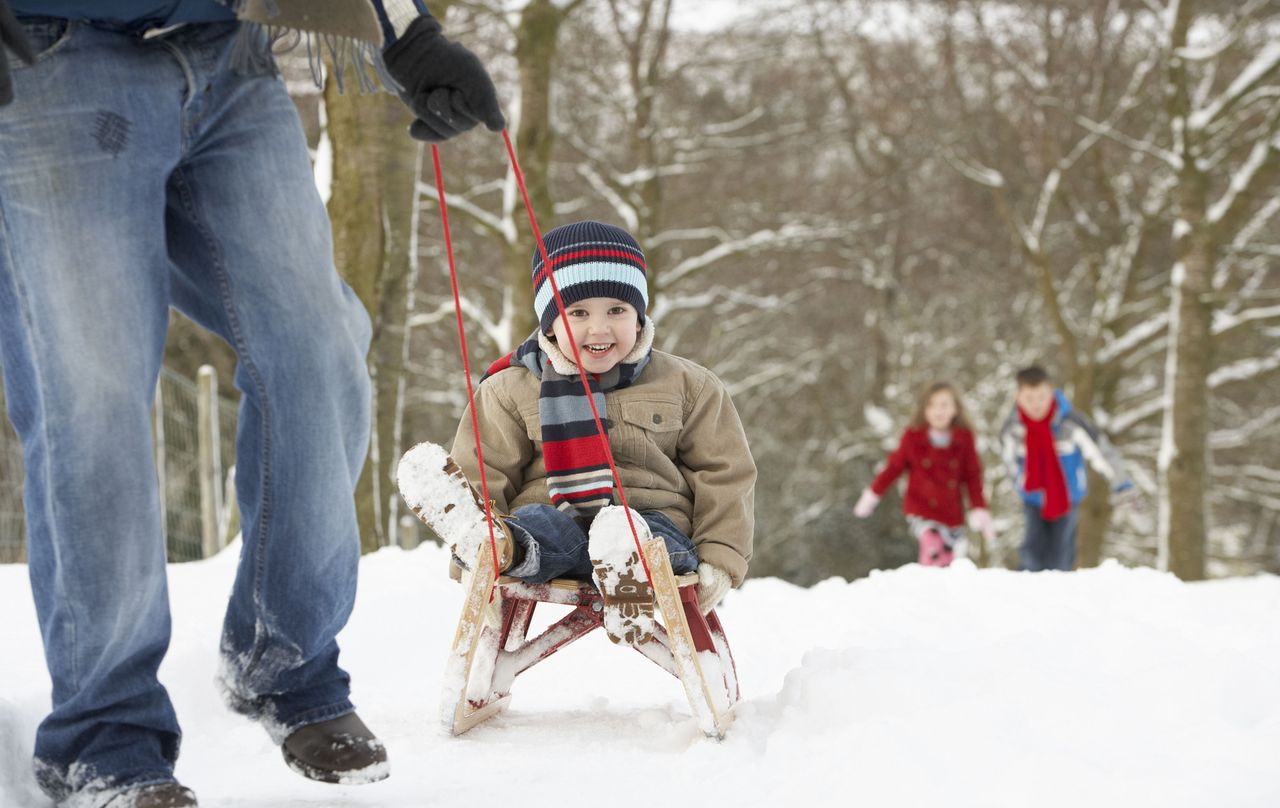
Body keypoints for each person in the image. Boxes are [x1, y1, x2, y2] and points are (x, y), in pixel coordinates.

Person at [0, 1, 503, 806]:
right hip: (49, 59)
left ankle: (284, 659)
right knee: (91, 394)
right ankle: (104, 739)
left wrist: (407, 35)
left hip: (227, 55)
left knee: (320, 348)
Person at [400, 220, 756, 645]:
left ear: (640, 316)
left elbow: (724, 473)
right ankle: (491, 545)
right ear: (549, 323)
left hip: (654, 534)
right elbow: (485, 469)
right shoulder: (510, 389)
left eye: (617, 311)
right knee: (531, 525)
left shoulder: (688, 385)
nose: (599, 328)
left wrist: (720, 555)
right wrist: (474, 568)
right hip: (555, 537)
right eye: (579, 313)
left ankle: (627, 569)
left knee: (645, 537)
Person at [999, 365, 1135, 572]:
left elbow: (1103, 452)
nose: (1036, 404)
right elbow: (1008, 461)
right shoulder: (1013, 429)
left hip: (1067, 497)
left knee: (1061, 557)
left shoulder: (1071, 422)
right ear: (1018, 397)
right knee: (1032, 555)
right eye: (1029, 398)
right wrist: (1017, 482)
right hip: (1032, 498)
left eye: (1041, 396)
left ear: (1051, 392)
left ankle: (1059, 597)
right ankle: (1026, 595)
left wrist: (1122, 484)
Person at [853, 382, 994, 567]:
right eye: (932, 405)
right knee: (931, 543)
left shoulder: (964, 439)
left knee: (947, 559)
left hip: (950, 512)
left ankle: (936, 584)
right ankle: (929, 575)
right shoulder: (913, 438)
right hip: (922, 507)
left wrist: (978, 507)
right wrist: (873, 494)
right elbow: (893, 468)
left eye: (944, 405)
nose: (938, 411)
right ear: (924, 410)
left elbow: (972, 476)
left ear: (955, 409)